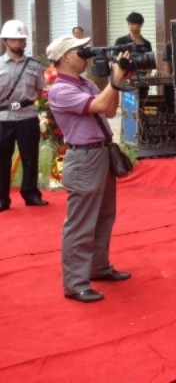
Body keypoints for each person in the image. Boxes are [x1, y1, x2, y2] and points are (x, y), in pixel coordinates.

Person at [46, 34, 132, 303]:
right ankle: (75, 283)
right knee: (81, 224)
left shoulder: (86, 83)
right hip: (84, 159)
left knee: (105, 216)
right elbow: (99, 105)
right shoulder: (60, 89)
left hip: (101, 153)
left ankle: (98, 267)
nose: (86, 54)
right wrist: (114, 78)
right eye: (79, 50)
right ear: (64, 57)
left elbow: (109, 110)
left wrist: (117, 81)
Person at [0, 20, 48, 211]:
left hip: (27, 117)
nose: (19, 43)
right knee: (2, 160)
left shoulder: (34, 65)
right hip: (3, 119)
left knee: (30, 158)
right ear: (5, 41)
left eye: (21, 39)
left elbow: (40, 90)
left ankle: (31, 194)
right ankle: (2, 199)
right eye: (14, 39)